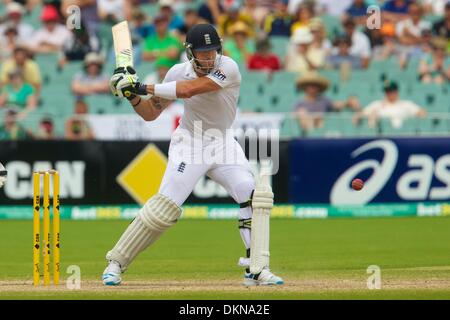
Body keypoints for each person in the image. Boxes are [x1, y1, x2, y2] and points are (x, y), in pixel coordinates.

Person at [104, 23, 284, 286]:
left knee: (254, 195)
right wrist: (131, 95)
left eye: (213, 51)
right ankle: (115, 263)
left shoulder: (228, 67)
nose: (209, 57)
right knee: (162, 210)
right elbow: (151, 114)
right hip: (190, 143)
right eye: (203, 52)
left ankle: (257, 268)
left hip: (223, 142)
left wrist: (141, 86)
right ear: (190, 52)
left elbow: (189, 90)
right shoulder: (177, 72)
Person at [294, 72, 360, 132]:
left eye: (315, 86)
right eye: (310, 85)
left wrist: (349, 102)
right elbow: (299, 118)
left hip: (322, 129)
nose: (312, 88)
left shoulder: (324, 100)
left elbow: (337, 106)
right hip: (307, 131)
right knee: (302, 112)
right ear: (305, 87)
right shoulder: (299, 103)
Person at [354, 80, 426, 129]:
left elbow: (422, 113)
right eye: (387, 91)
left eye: (391, 91)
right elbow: (362, 113)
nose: (389, 94)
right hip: (381, 135)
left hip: (402, 135)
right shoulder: (377, 104)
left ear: (396, 91)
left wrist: (409, 120)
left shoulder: (406, 104)